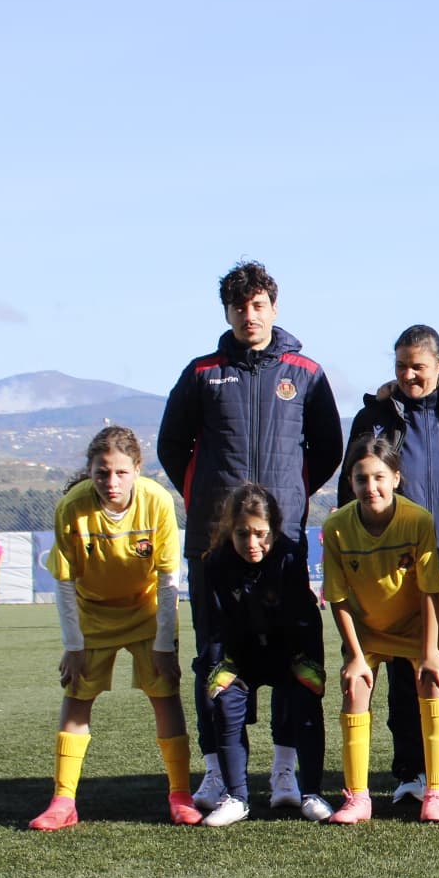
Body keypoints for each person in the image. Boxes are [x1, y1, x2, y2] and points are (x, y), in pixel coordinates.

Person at [159, 260, 341, 807]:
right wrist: (210, 504)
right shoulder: (202, 373)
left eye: (258, 304)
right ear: (228, 313)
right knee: (213, 655)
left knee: (293, 654)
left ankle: (285, 774)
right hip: (216, 546)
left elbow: (328, 448)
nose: (249, 315)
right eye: (239, 307)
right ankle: (217, 773)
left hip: (281, 544)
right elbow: (173, 448)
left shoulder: (305, 371)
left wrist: (290, 497)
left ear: (274, 307)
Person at [339, 325, 439, 806]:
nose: (409, 375)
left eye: (418, 367)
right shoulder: (374, 416)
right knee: (409, 681)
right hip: (401, 574)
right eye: (401, 366)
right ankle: (412, 771)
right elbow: (354, 489)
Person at [29, 427, 200, 830]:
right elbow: (65, 583)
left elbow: (168, 578)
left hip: (146, 612)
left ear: (137, 469)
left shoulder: (157, 502)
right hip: (92, 615)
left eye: (121, 473)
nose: (111, 482)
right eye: (102, 473)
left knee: (165, 695)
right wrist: (73, 645)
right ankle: (63, 801)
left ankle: (180, 795)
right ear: (90, 471)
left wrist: (163, 645)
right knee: (76, 698)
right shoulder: (71, 506)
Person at [319, 437, 439, 825]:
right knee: (355, 687)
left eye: (379, 477)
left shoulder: (417, 520)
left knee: (432, 682)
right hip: (366, 632)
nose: (371, 487)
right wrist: (356, 656)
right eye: (361, 479)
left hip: (417, 626)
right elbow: (337, 597)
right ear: (351, 482)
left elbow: (430, 589)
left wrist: (430, 652)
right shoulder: (337, 526)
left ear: (396, 477)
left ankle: (436, 793)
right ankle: (357, 797)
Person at [198, 484, 330, 826]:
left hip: (286, 653)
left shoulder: (288, 555)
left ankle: (311, 792)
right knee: (224, 705)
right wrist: (216, 670)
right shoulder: (215, 563)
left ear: (273, 529)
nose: (253, 543)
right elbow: (212, 625)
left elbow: (306, 615)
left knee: (305, 701)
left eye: (261, 534)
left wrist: (311, 665)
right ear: (231, 530)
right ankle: (237, 797)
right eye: (243, 534)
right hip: (241, 658)